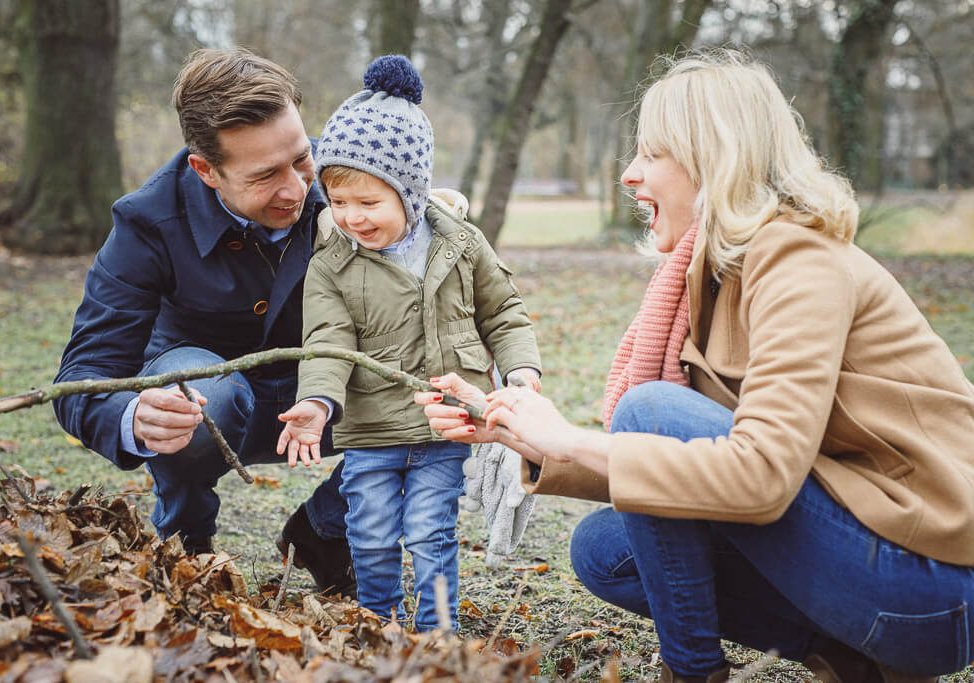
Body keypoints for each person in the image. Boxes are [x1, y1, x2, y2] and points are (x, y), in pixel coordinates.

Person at [417, 49, 974, 682]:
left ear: (715, 159)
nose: (629, 174)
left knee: (650, 411)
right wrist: (519, 431)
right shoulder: (710, 275)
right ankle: (853, 660)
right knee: (605, 551)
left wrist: (570, 438)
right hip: (863, 542)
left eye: (652, 154)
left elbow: (759, 477)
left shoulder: (799, 261)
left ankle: (691, 672)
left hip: (934, 582)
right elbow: (693, 468)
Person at [53, 47, 355, 597]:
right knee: (197, 393)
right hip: (206, 408)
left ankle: (324, 530)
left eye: (301, 158)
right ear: (206, 170)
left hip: (328, 396)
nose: (297, 189)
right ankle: (186, 550)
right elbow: (81, 377)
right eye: (265, 176)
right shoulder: (147, 222)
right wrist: (133, 416)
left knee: (448, 393)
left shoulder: (348, 179)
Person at [277, 55, 541, 632]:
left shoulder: (462, 246)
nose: (352, 218)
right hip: (371, 428)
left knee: (430, 531)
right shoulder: (332, 264)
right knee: (370, 532)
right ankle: (380, 620)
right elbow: (326, 339)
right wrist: (317, 402)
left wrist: (521, 370)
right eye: (338, 202)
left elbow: (504, 312)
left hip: (445, 423)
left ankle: (437, 627)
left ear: (412, 192)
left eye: (369, 203)